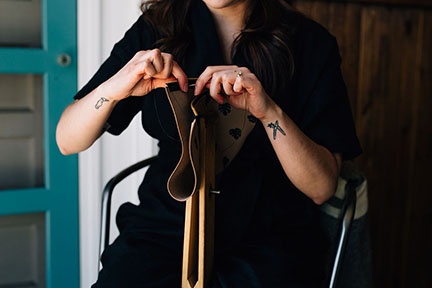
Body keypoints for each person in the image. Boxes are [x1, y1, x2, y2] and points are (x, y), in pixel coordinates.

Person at [56, 0, 362, 287]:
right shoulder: (156, 28)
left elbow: (321, 188)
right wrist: (114, 88)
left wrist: (268, 111)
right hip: (162, 230)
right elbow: (67, 141)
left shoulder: (310, 43)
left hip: (269, 238)